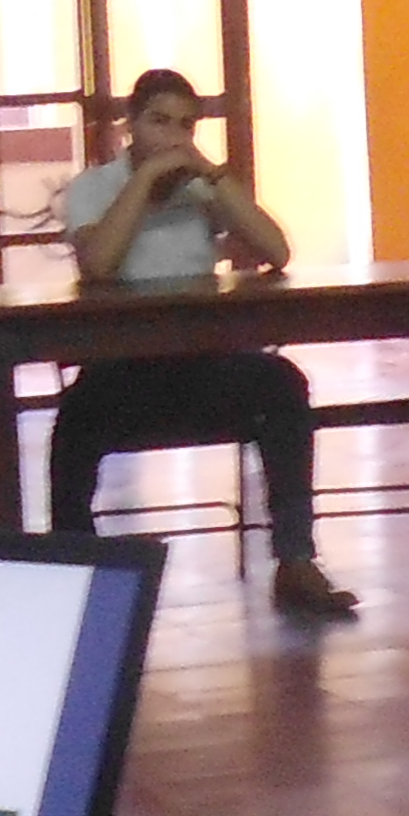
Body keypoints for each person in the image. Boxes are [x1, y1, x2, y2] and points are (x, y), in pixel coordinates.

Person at [49, 72, 356, 623]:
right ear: (130, 124)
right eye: (158, 121)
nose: (172, 136)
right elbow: (97, 265)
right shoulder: (92, 187)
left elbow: (276, 250)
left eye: (185, 125)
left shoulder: (201, 187)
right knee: (74, 419)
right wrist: (144, 182)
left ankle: (296, 560)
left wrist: (213, 176)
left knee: (282, 383)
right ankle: (77, 570)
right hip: (121, 373)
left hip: (202, 363)